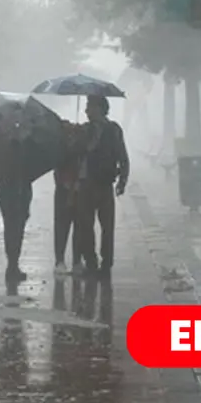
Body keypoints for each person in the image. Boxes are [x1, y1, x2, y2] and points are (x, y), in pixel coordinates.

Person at [74, 96, 129, 278]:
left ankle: (106, 263)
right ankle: (90, 262)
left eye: (90, 107)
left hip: (104, 184)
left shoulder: (113, 130)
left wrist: (122, 181)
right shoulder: (84, 130)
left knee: (107, 227)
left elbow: (122, 156)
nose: (87, 111)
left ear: (100, 108)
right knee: (85, 226)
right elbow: (77, 153)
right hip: (86, 183)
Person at [0, 137, 34, 282]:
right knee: (16, 230)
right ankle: (13, 264)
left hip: (11, 193)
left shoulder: (1, 150)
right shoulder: (24, 151)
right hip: (16, 194)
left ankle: (12, 264)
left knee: (11, 229)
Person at [53, 121, 84, 275]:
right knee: (61, 226)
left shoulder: (83, 146)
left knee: (79, 226)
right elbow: (56, 167)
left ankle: (77, 261)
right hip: (63, 189)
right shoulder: (59, 147)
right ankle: (60, 260)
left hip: (79, 189)